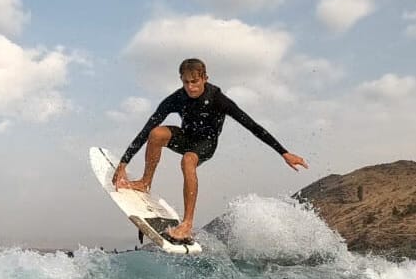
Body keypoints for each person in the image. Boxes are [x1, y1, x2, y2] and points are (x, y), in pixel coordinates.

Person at [112, 58, 308, 242]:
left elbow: (252, 125)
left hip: (206, 144)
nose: (191, 87)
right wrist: (123, 163)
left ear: (205, 78)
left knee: (188, 161)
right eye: (186, 82)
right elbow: (147, 127)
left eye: (195, 81)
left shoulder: (218, 99)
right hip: (186, 137)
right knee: (156, 133)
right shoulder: (177, 98)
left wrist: (284, 152)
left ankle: (187, 224)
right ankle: (145, 182)